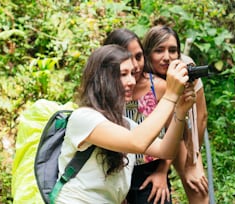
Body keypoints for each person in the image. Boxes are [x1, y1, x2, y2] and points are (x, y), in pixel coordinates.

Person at [54, 44, 196, 203]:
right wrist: (170, 94)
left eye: (132, 74)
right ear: (103, 78)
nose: (132, 81)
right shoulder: (84, 117)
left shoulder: (125, 124)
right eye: (123, 74)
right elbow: (137, 142)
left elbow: (166, 150)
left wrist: (180, 112)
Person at [104, 28, 173, 204]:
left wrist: (162, 172)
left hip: (150, 172)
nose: (135, 65)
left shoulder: (158, 87)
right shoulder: (105, 94)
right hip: (114, 172)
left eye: (139, 56)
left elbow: (174, 134)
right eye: (127, 58)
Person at [142, 25, 209, 204]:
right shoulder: (141, 72)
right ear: (147, 53)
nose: (167, 57)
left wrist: (192, 161)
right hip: (152, 131)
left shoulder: (186, 67)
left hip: (182, 130)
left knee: (198, 187)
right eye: (159, 50)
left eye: (172, 50)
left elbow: (201, 117)